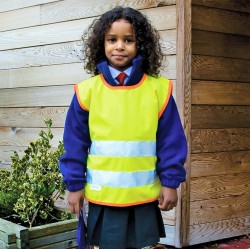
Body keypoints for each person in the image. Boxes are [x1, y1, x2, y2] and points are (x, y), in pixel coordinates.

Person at [60, 6, 187, 249]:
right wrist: (74, 185)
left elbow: (171, 140)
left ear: (141, 45)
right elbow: (75, 143)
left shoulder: (158, 90)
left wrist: (170, 182)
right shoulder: (86, 91)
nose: (119, 46)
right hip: (102, 195)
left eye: (128, 40)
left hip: (143, 196)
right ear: (101, 43)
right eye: (112, 39)